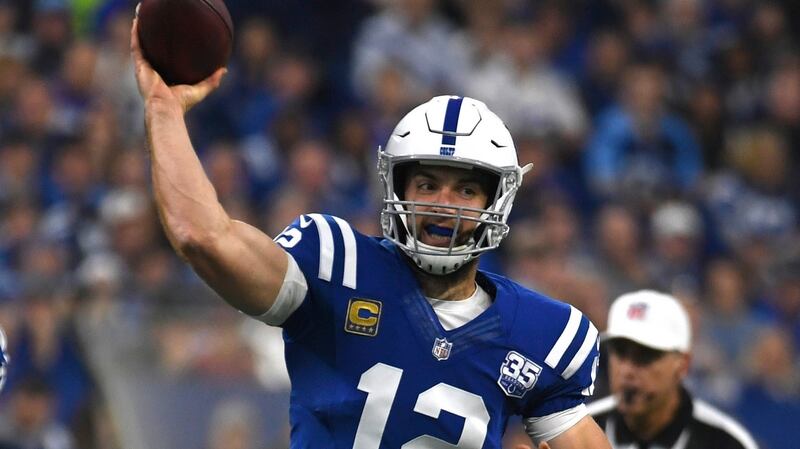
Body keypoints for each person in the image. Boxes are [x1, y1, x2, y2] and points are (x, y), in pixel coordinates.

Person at [130, 13, 610, 449]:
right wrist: (164, 109)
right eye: (427, 184)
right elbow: (203, 237)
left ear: (497, 201)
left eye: (466, 189)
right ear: (397, 189)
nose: (444, 205)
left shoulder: (540, 333)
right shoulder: (335, 263)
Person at [587, 290, 759, 449]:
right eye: (619, 352)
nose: (627, 370)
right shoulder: (575, 433)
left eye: (645, 355)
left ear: (683, 365)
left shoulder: (724, 443)